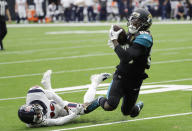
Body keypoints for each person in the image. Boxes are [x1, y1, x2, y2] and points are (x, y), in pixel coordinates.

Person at [87, 8, 153, 117]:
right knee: (110, 105)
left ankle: (137, 106)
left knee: (128, 112)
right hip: (121, 76)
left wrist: (115, 41)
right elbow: (126, 45)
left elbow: (126, 57)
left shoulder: (145, 37)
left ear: (144, 24)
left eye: (136, 21)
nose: (132, 23)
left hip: (136, 79)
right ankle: (99, 100)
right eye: (132, 20)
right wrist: (119, 38)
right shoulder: (131, 34)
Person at [18, 70, 111, 127]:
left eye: (37, 113)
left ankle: (95, 81)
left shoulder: (34, 93)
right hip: (55, 112)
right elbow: (58, 122)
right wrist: (74, 114)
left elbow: (52, 96)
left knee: (84, 108)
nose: (40, 116)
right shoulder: (35, 123)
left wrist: (65, 107)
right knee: (81, 110)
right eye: (37, 117)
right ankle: (95, 82)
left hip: (57, 105)